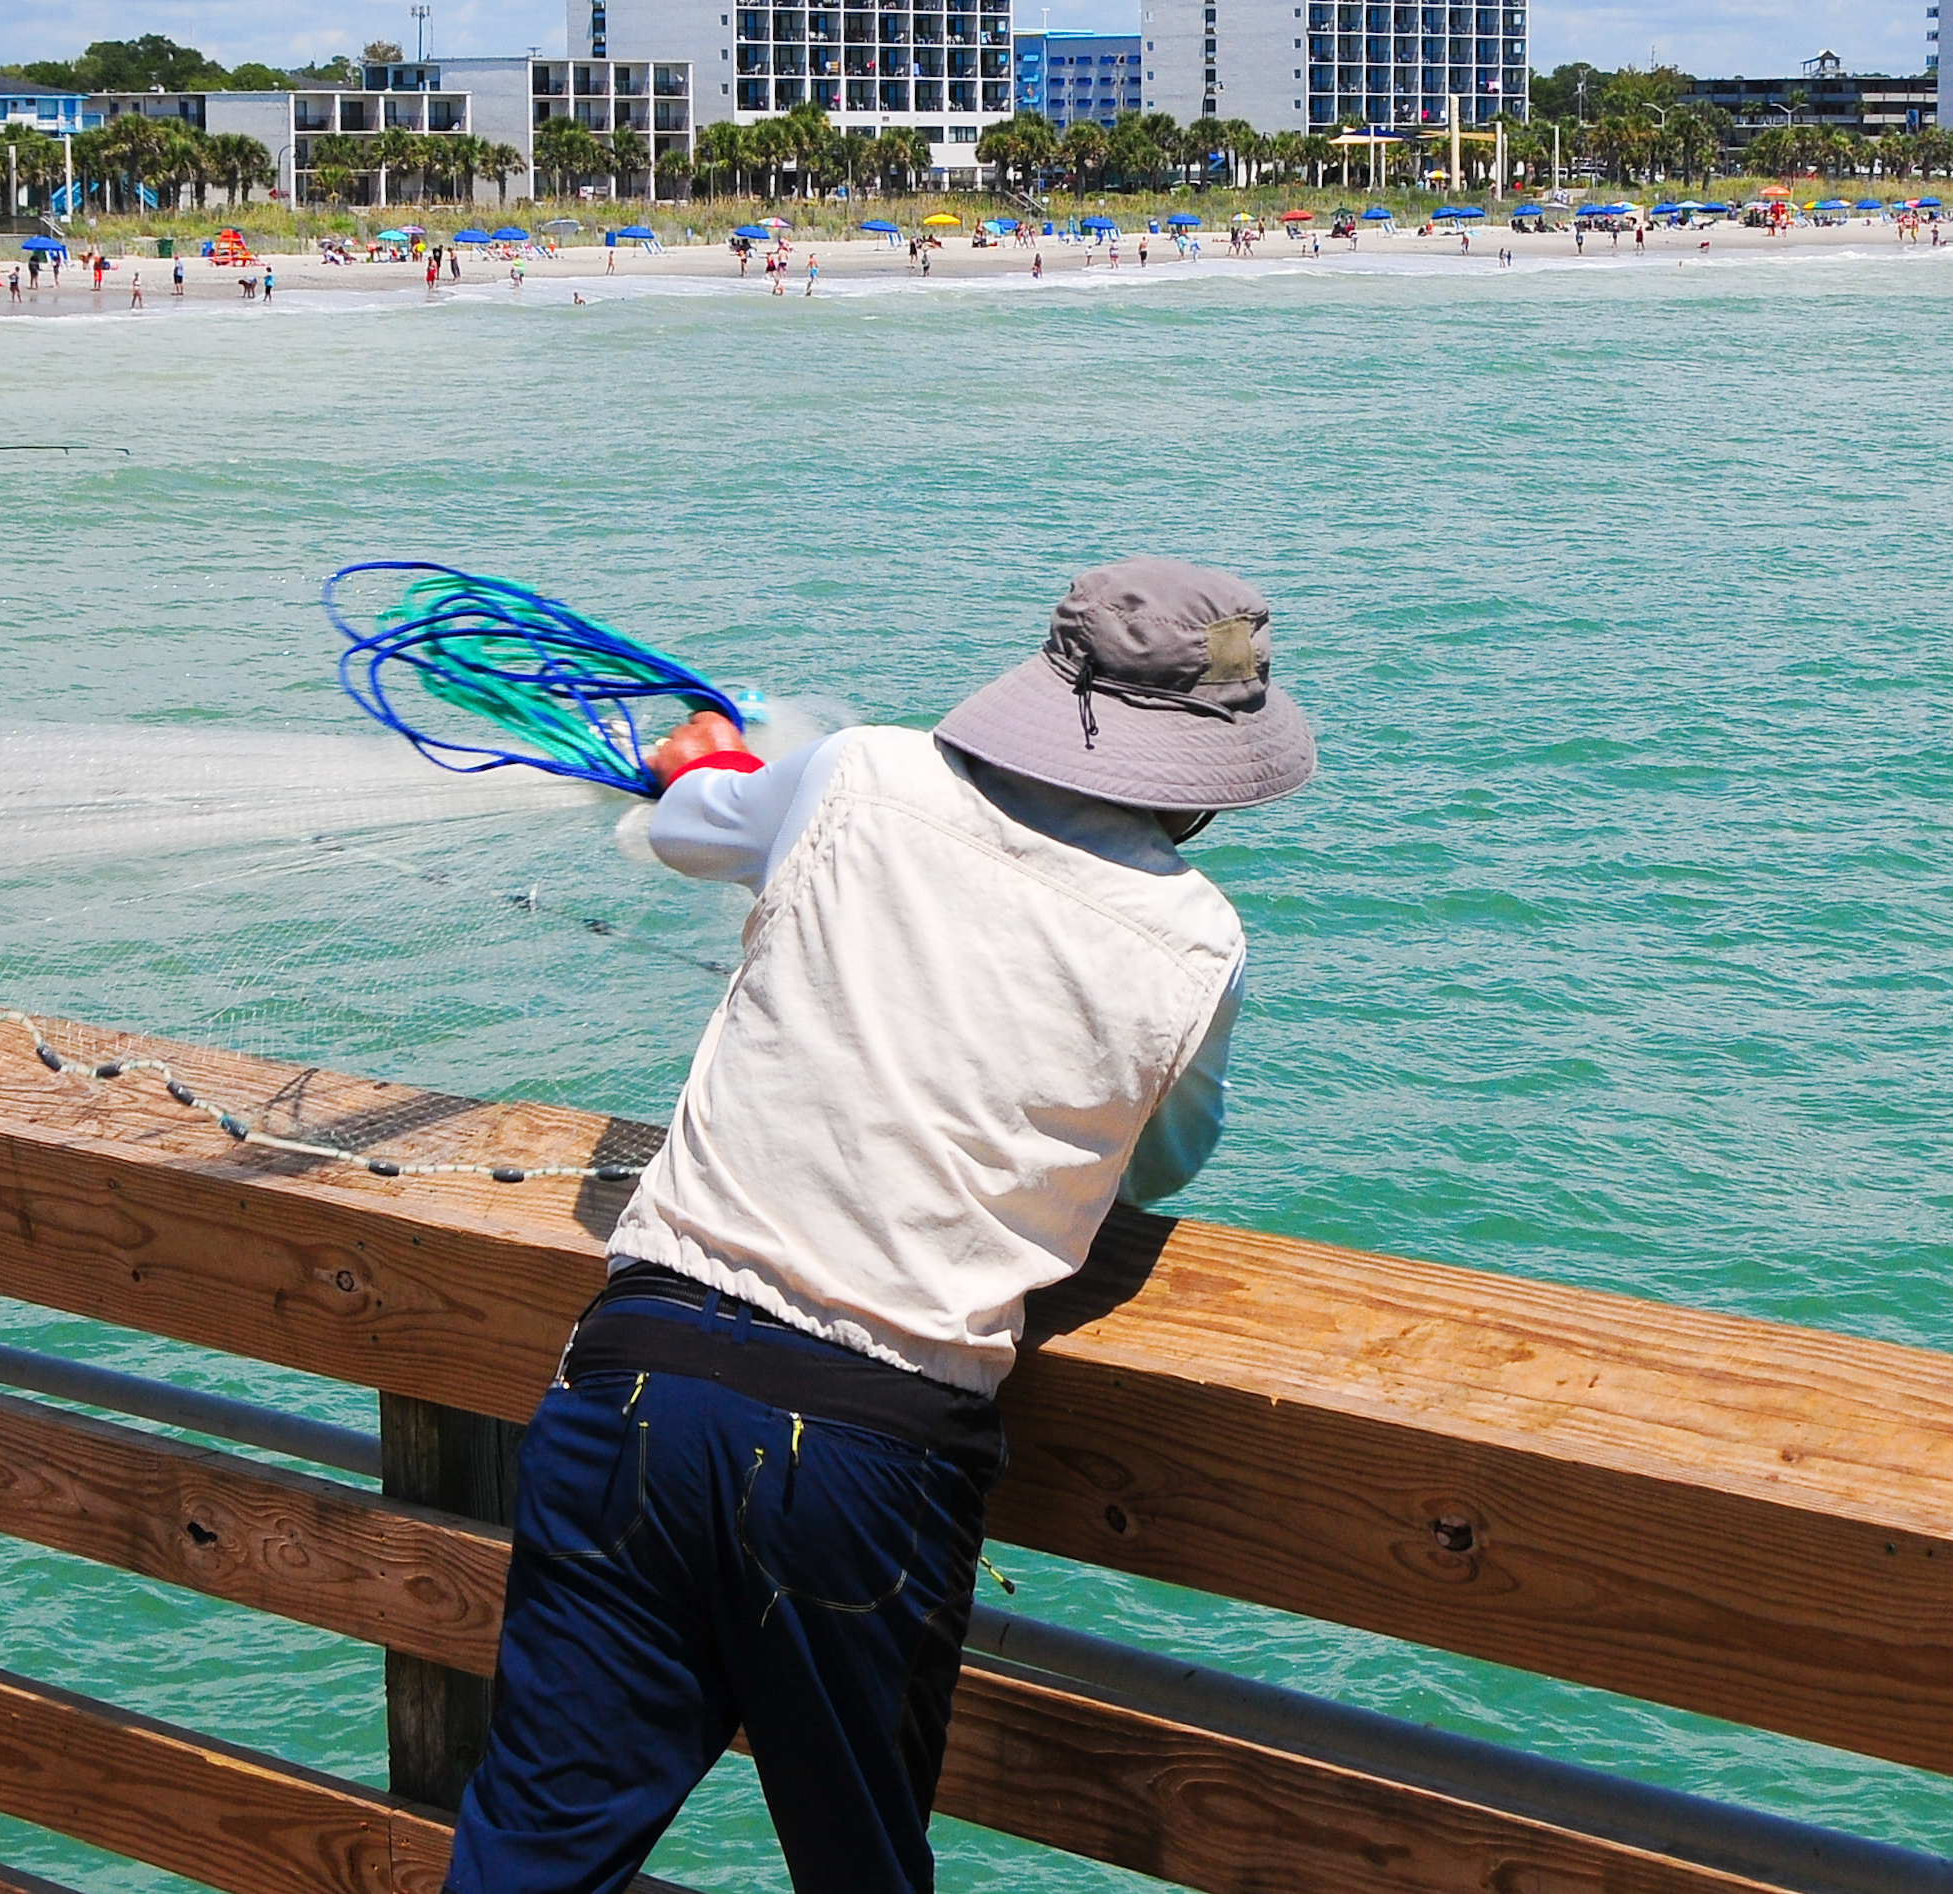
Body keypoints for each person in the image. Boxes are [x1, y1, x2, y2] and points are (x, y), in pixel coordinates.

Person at [447, 558, 1314, 1894]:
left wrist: (713, 758)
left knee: (527, 1865)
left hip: (638, 1382)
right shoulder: (1198, 940)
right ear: (1202, 767)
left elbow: (688, 826)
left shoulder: (857, 773)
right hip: (869, 1451)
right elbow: (1157, 1168)